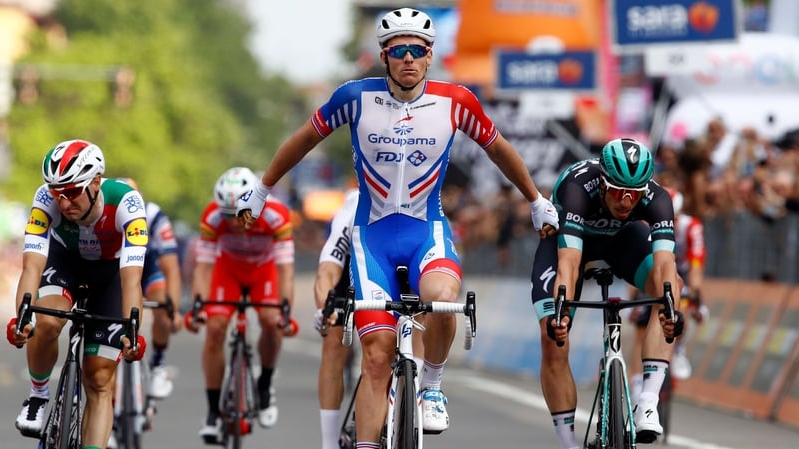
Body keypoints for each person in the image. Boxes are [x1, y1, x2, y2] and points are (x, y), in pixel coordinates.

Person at [236, 8, 559, 448]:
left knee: (443, 299)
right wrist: (262, 189)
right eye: (399, 50)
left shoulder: (455, 101)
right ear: (385, 56)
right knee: (376, 356)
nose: (409, 58)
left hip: (426, 229)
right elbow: (305, 139)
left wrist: (536, 201)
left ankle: (432, 386)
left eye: (418, 50)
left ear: (430, 56)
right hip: (373, 238)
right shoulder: (354, 97)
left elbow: (498, 149)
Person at [530, 138, 683, 448]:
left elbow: (665, 263)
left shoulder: (658, 198)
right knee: (552, 336)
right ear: (602, 181)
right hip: (571, 243)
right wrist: (561, 311)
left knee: (670, 287)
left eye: (634, 195)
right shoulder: (577, 187)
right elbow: (570, 263)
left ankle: (648, 401)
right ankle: (568, 441)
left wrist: (672, 310)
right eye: (617, 192)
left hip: (623, 240)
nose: (626, 202)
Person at [6, 139, 147, 449]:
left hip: (110, 274)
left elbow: (132, 279)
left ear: (96, 181)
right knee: (46, 322)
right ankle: (39, 395)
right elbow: (31, 267)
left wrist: (133, 332)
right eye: (57, 194)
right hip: (65, 262)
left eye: (71, 192)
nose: (64, 203)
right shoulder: (45, 199)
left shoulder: (127, 204)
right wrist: (22, 320)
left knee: (98, 379)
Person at [187, 166, 295, 444]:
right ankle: (212, 411)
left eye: (238, 214)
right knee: (215, 327)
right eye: (227, 215)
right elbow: (203, 267)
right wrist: (198, 306)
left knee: (272, 322)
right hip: (229, 272)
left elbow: (285, 270)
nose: (233, 222)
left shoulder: (276, 215)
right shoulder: (212, 217)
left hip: (264, 271)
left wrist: (286, 311)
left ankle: (265, 384)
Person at [628, 187, 706, 398]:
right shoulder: (645, 223)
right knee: (640, 328)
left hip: (680, 270)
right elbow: (635, 263)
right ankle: (636, 381)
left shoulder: (692, 227)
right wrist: (634, 297)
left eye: (675, 220)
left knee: (683, 298)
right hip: (652, 267)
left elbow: (696, 265)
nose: (671, 225)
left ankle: (678, 348)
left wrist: (696, 296)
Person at [120, 178, 184, 398]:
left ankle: (158, 364)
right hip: (116, 267)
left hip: (149, 266)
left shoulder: (154, 215)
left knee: (162, 306)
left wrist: (172, 310)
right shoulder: (106, 214)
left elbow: (172, 269)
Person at [313, 189, 358, 449]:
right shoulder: (348, 215)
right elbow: (326, 273)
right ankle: (329, 443)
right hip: (349, 265)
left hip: (392, 258)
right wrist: (325, 309)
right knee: (333, 343)